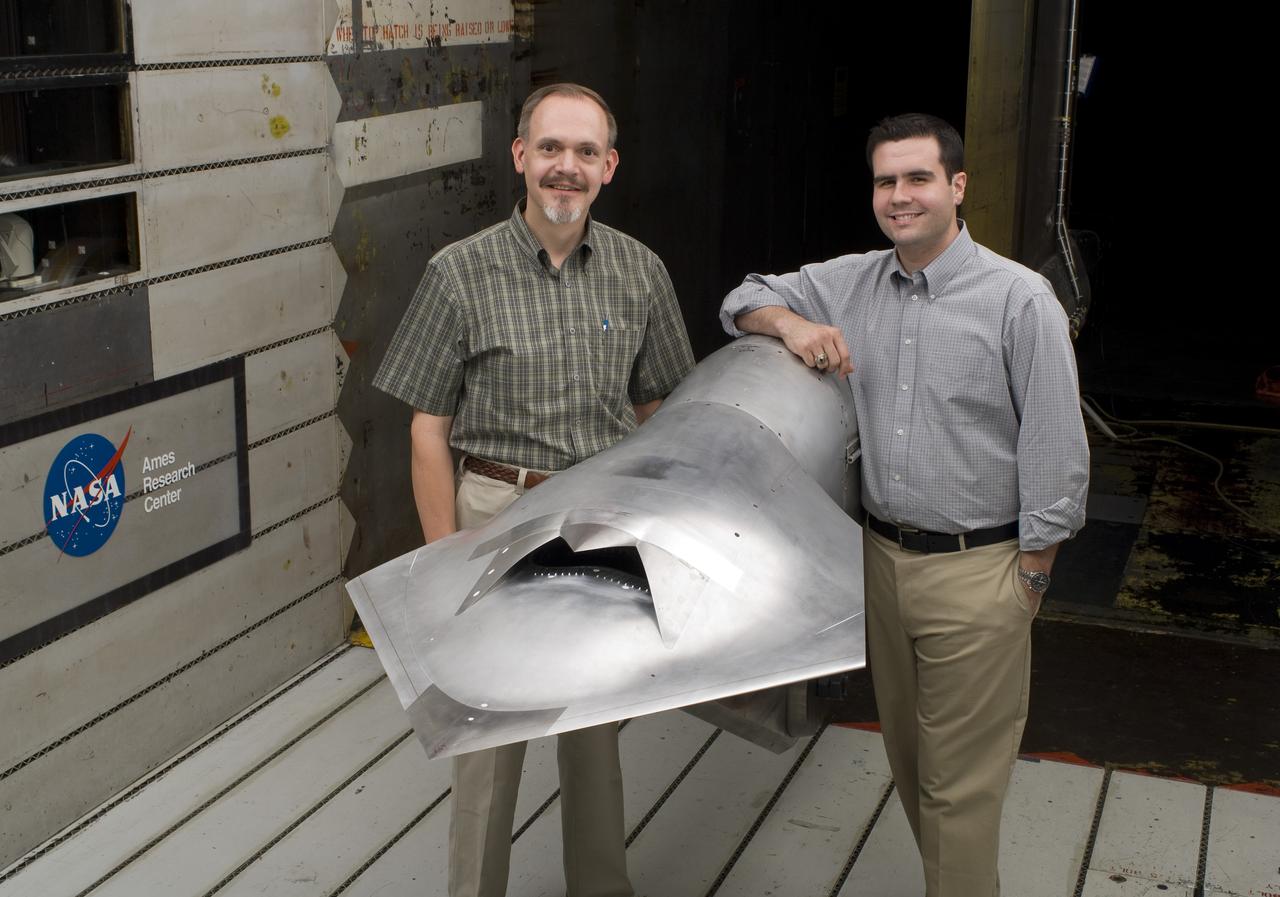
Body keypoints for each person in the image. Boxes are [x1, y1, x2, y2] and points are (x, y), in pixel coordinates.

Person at [719, 113, 1089, 896]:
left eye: (918, 178)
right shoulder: (850, 281)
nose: (899, 196)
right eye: (886, 180)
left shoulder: (1022, 302)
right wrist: (790, 322)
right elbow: (742, 298)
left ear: (957, 187)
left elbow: (1058, 456)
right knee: (914, 763)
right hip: (880, 565)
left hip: (979, 571)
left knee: (959, 787)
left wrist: (1029, 581)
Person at [374, 83, 694, 897]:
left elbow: (663, 414)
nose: (567, 168)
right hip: (493, 514)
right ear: (520, 157)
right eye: (551, 148)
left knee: (593, 732)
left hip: (600, 520)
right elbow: (426, 428)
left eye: (586, 153)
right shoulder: (458, 272)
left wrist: (658, 531)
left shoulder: (641, 272)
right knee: (486, 735)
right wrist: (444, 555)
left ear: (610, 167)